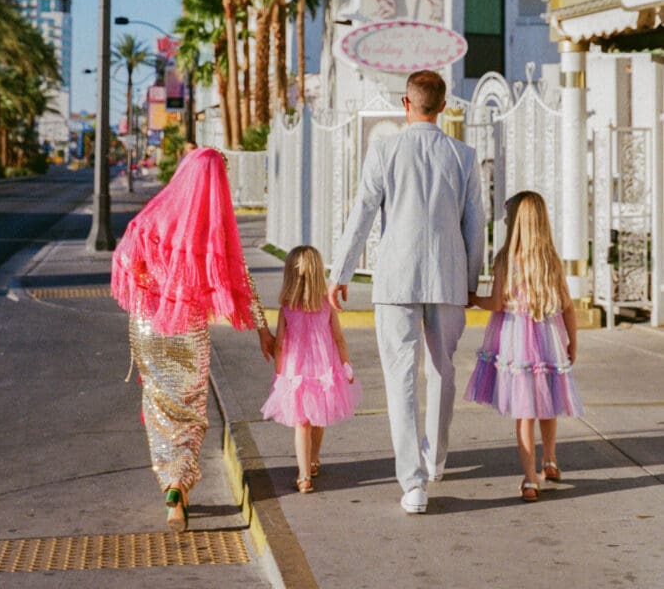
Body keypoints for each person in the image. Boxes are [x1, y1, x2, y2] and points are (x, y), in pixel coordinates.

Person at [328, 70, 485, 514]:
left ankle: (412, 483)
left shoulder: (383, 151)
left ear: (406, 103)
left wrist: (340, 270)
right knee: (442, 370)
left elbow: (361, 213)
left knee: (400, 378)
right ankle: (434, 459)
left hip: (396, 277)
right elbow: (475, 227)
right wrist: (472, 281)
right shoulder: (464, 156)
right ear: (444, 105)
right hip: (448, 276)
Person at [111, 147, 274, 531]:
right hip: (187, 331)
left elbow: (126, 263)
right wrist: (263, 331)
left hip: (148, 328)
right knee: (190, 411)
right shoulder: (213, 230)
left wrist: (157, 289)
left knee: (158, 406)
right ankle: (179, 486)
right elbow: (241, 281)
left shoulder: (154, 218)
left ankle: (169, 483)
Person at [464, 190, 584, 502]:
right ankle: (551, 460)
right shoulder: (551, 260)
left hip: (518, 341)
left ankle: (530, 479)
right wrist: (572, 341)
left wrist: (474, 299)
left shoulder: (506, 260)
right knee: (548, 400)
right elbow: (568, 307)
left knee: (524, 412)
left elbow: (496, 303)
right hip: (548, 341)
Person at [261, 245, 361, 493]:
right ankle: (313, 460)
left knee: (302, 423)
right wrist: (346, 364)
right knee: (318, 418)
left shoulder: (287, 309)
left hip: (296, 373)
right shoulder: (326, 306)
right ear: (318, 273)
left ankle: (304, 475)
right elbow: (338, 339)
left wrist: (279, 373)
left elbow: (281, 344)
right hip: (323, 371)